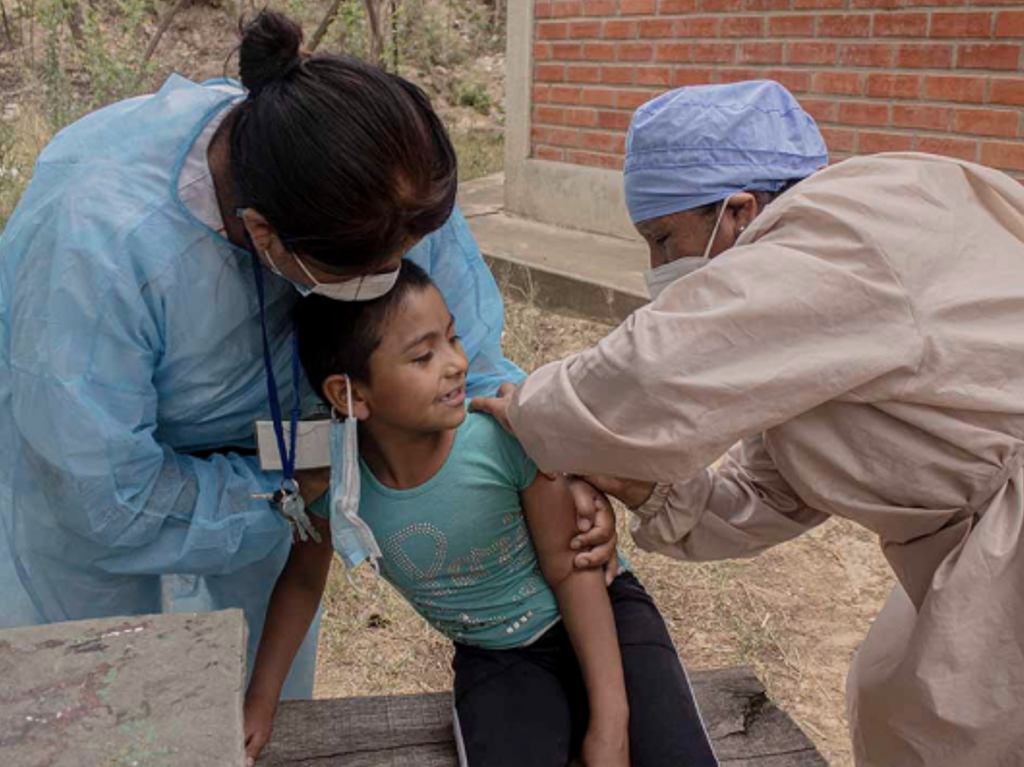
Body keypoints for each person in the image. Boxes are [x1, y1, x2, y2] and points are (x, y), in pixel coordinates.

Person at [0, 10, 615, 699]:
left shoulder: (379, 182)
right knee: (102, 699)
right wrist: (288, 492)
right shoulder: (100, 244)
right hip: (106, 496)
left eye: (403, 260)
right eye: (361, 273)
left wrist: (548, 453)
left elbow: (474, 358)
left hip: (289, 473)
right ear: (263, 234)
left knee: (255, 694)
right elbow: (104, 493)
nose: (394, 281)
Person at [472, 80, 1024, 767]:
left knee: (956, 726)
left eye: (663, 238)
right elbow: (776, 490)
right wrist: (646, 489)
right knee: (898, 699)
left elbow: (652, 375)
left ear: (739, 211)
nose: (658, 268)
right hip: (974, 549)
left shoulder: (841, 232)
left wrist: (529, 409)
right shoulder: (818, 319)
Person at [241, 260, 718, 767]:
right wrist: (262, 701)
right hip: (497, 656)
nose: (456, 364)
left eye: (454, 339)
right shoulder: (336, 490)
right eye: (424, 355)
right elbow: (301, 584)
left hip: (605, 618)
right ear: (349, 394)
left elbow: (570, 570)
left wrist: (610, 727)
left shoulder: (501, 439)